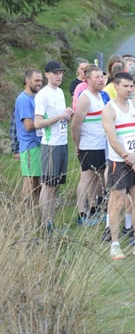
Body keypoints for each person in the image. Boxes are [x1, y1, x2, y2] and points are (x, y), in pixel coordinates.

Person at [101, 72, 135, 260]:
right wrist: (127, 157)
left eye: (131, 86)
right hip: (119, 161)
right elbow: (112, 138)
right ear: (116, 86)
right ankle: (115, 244)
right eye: (125, 86)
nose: (129, 90)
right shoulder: (109, 109)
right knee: (117, 202)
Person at [33, 61, 73, 231]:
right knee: (48, 185)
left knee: (55, 185)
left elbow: (61, 116)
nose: (59, 76)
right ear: (47, 74)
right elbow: (37, 123)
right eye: (55, 73)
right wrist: (60, 117)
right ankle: (46, 224)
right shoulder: (43, 95)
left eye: (61, 73)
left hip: (62, 142)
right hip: (50, 144)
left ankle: (51, 221)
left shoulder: (60, 93)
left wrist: (67, 115)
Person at [70, 64, 107, 225]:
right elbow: (75, 125)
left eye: (102, 76)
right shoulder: (85, 97)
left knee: (97, 178)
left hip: (101, 143)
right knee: (86, 177)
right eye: (97, 77)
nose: (101, 80)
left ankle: (93, 208)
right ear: (88, 80)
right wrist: (78, 146)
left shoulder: (99, 95)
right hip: (89, 144)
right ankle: (81, 213)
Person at [13, 68, 44, 204]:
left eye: (41, 80)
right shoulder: (23, 99)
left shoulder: (36, 97)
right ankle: (24, 215)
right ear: (27, 81)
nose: (39, 83)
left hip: (38, 144)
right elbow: (28, 125)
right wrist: (48, 122)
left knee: (37, 183)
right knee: (30, 183)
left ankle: (35, 216)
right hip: (30, 146)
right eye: (36, 80)